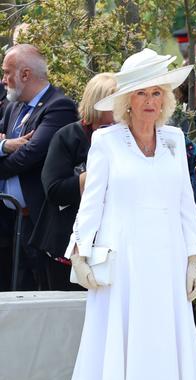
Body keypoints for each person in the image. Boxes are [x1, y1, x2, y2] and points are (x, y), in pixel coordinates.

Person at [67, 48, 196, 380]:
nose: (150, 101)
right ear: (126, 99)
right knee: (120, 353)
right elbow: (92, 202)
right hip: (122, 261)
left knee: (157, 355)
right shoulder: (106, 141)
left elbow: (186, 203)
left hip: (165, 263)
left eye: (156, 92)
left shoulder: (172, 141)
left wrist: (192, 260)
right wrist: (80, 250)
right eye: (141, 93)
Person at [0, 44, 78, 291]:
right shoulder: (13, 107)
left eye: (6, 73)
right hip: (11, 221)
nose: (3, 80)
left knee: (41, 294)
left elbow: (30, 155)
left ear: (25, 74)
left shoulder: (59, 106)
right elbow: (17, 151)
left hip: (39, 222)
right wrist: (5, 145)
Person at [29, 73, 116, 291]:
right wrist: (96, 174)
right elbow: (54, 189)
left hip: (110, 244)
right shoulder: (68, 136)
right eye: (114, 101)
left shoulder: (126, 138)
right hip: (65, 243)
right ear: (98, 102)